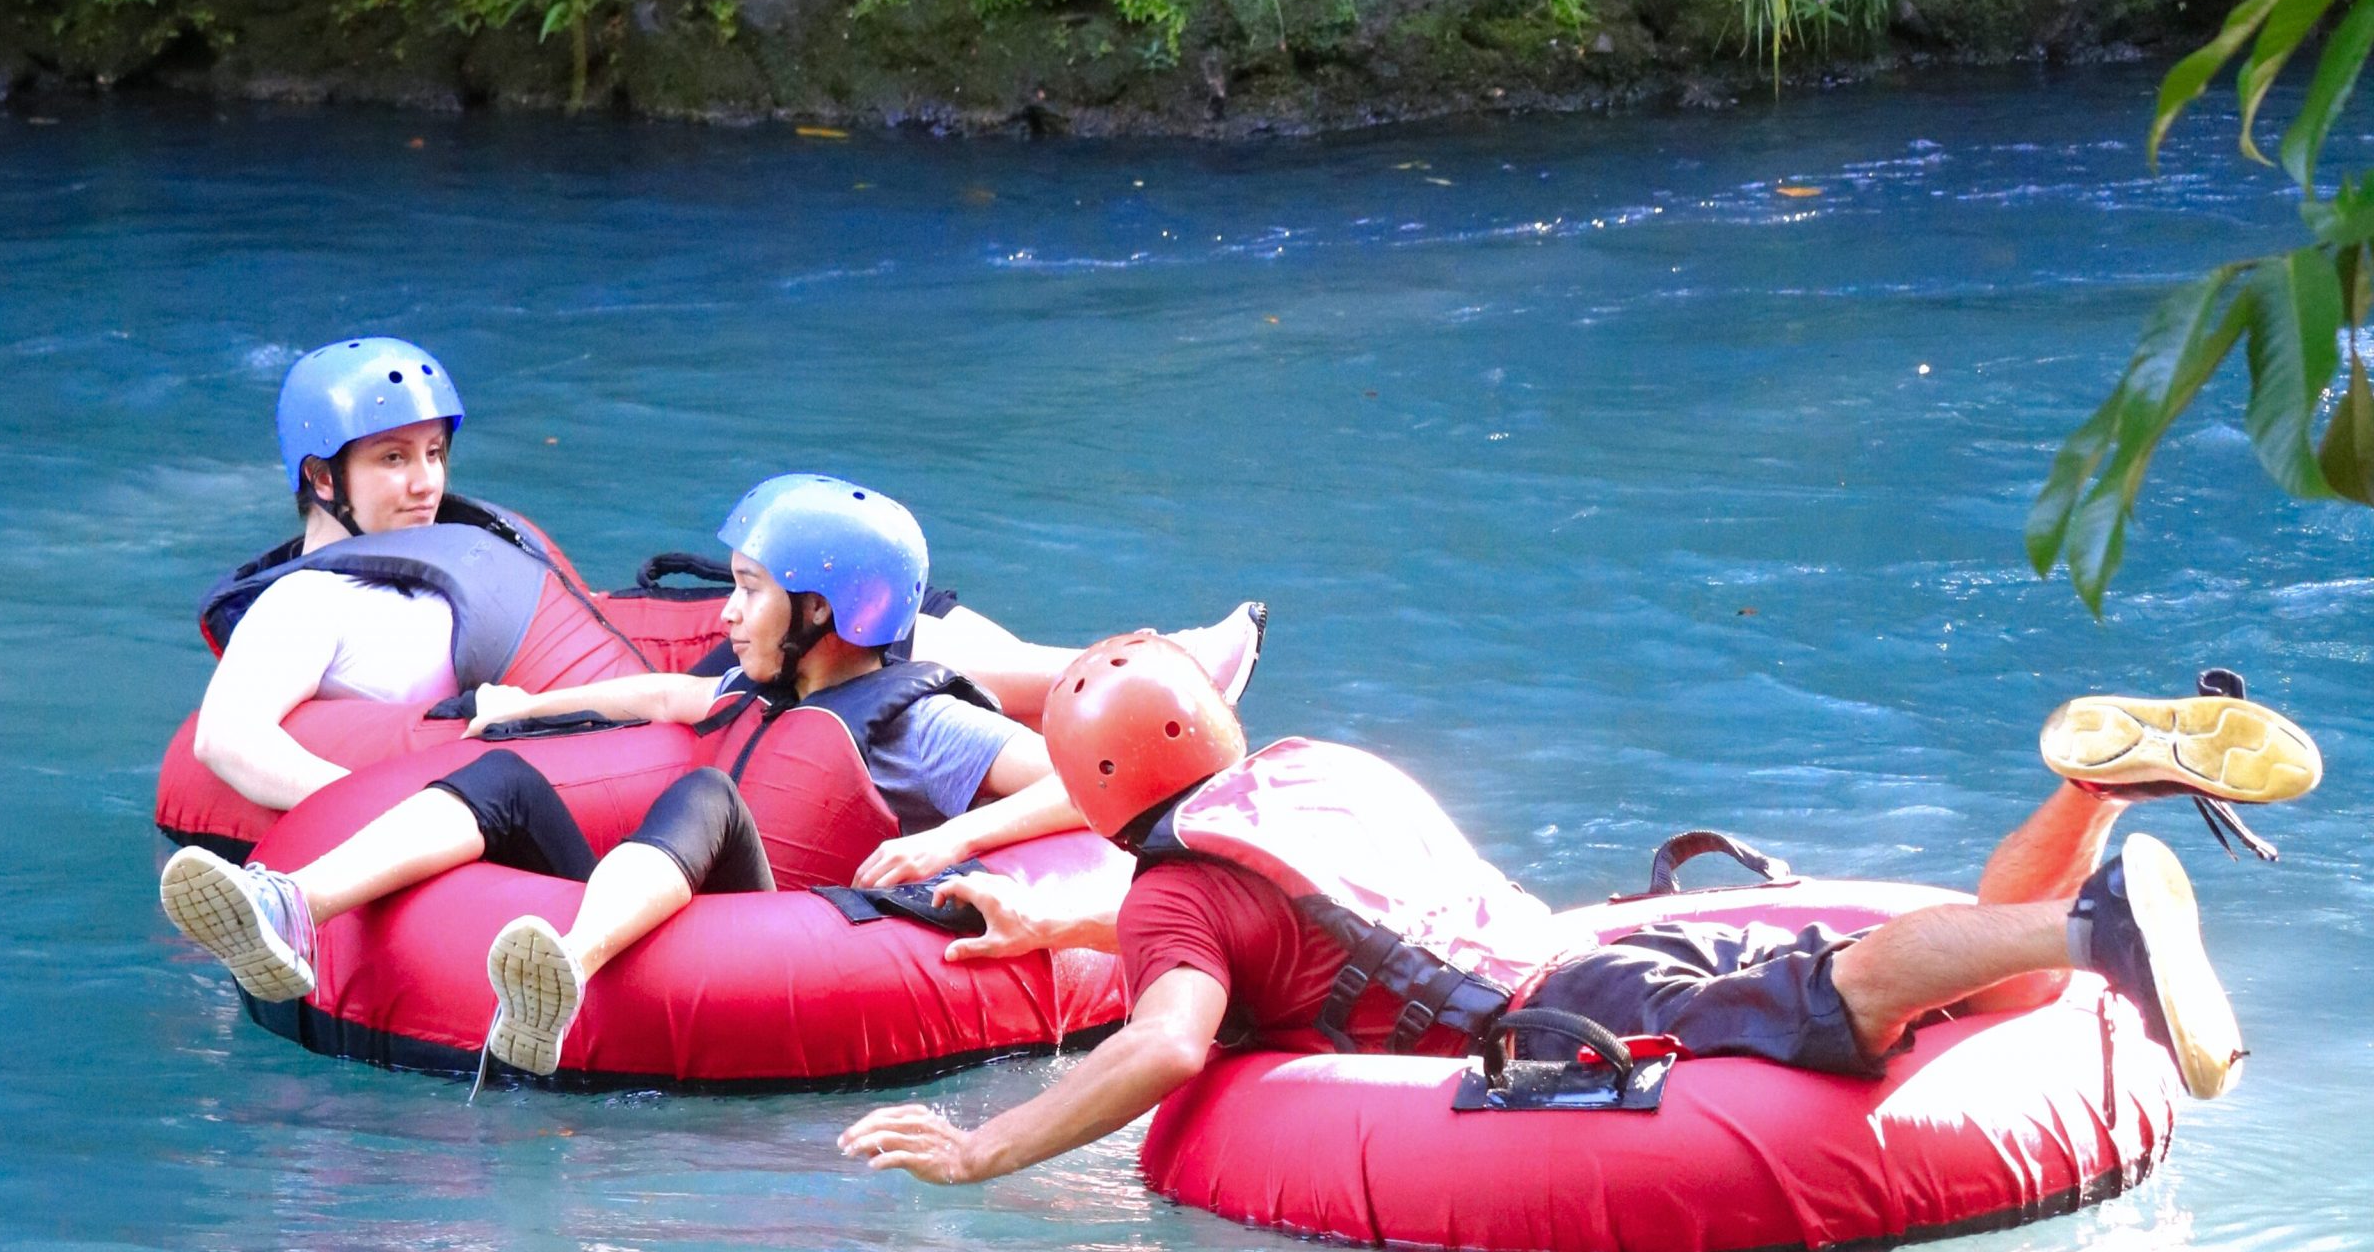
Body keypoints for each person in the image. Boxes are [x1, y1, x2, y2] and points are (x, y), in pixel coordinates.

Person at [837, 638, 2322, 1186]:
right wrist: (1063, 932)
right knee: (1963, 990)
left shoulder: (1175, 897)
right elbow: (1280, 925)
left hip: (1563, 1017)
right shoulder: (1306, 767)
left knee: (1851, 989)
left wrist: (985, 1144)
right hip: (1574, 942)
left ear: (1101, 786)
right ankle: (2094, 798)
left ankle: (2100, 925)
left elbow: (1172, 1040)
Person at [163, 477, 1133, 1078]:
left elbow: (1089, 786)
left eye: (750, 590)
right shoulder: (760, 675)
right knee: (500, 778)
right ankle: (290, 902)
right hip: (678, 883)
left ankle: (569, 971)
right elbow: (663, 698)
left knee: (706, 795)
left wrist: (951, 837)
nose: (725, 611)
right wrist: (521, 710)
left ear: (826, 612)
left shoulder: (926, 723)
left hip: (781, 921)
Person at [194, 339, 1267, 814]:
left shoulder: (444, 540)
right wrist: (362, 808)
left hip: (603, 670)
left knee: (898, 616)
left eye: (434, 454)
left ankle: (1139, 689)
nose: (425, 483)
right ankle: (1139, 698)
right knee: (871, 648)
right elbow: (228, 739)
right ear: (319, 476)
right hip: (557, 730)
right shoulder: (304, 601)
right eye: (393, 460)